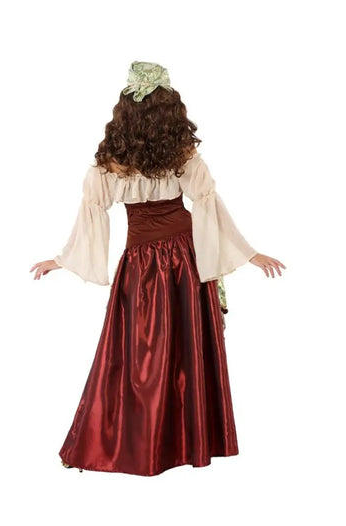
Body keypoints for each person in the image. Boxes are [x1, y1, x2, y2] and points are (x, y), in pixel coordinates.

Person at [30, 61, 286, 477]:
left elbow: (94, 212)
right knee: (182, 351)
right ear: (170, 112)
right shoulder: (177, 155)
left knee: (137, 357)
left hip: (143, 263)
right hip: (183, 260)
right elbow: (206, 203)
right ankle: (173, 442)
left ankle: (142, 443)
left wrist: (62, 259)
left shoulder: (112, 163)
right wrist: (248, 254)